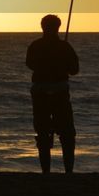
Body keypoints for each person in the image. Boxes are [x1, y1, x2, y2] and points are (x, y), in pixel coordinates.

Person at [25, 13, 79, 173]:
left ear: (42, 27)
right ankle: (68, 171)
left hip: (40, 92)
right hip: (60, 93)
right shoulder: (65, 47)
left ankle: (45, 172)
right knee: (67, 133)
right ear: (58, 27)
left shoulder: (35, 46)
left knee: (42, 132)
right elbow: (75, 70)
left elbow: (30, 64)